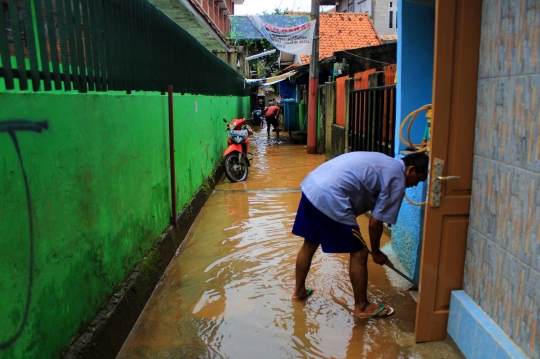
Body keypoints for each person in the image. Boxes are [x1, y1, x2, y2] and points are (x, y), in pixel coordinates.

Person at [290, 151, 429, 318]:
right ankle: (362, 307)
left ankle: (299, 291)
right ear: (411, 170)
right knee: (360, 252)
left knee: (310, 242)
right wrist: (376, 252)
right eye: (418, 180)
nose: (414, 185)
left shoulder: (387, 162)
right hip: (332, 197)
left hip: (312, 187)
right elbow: (375, 223)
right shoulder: (397, 179)